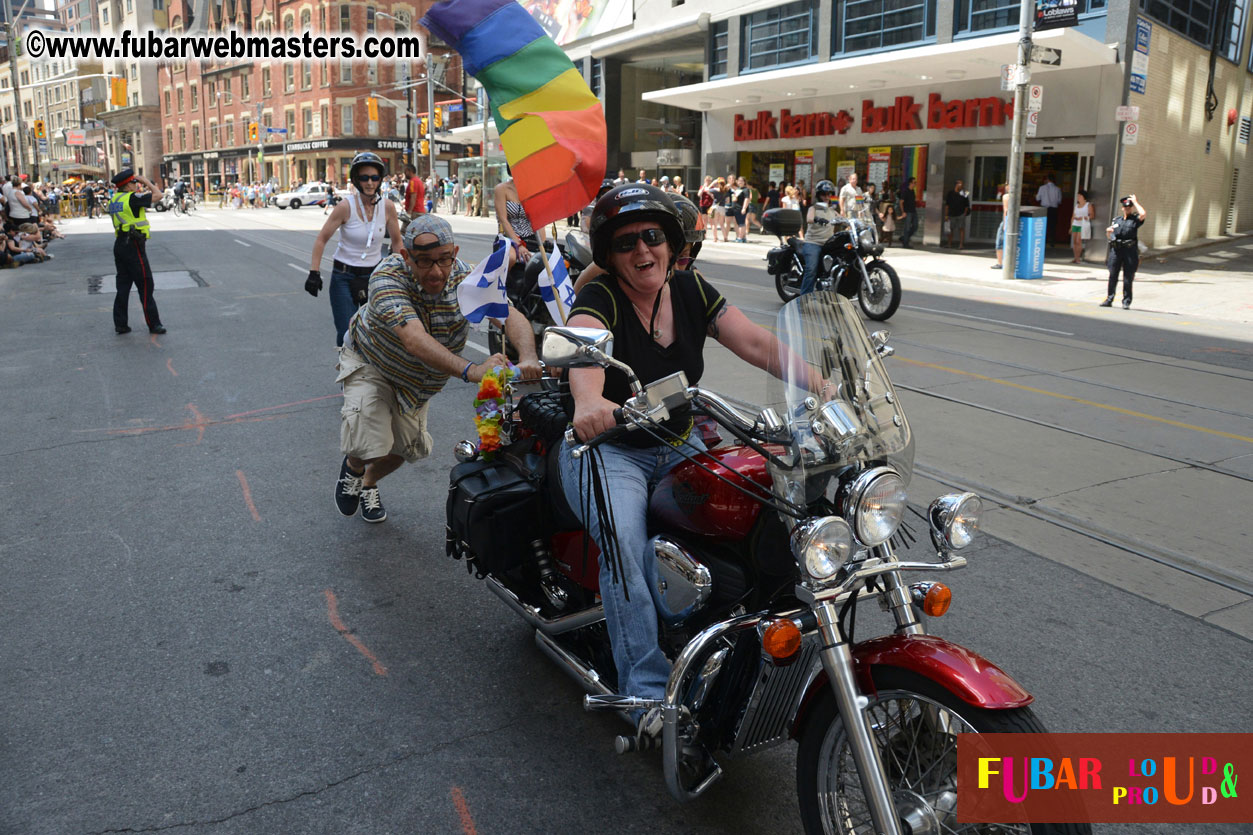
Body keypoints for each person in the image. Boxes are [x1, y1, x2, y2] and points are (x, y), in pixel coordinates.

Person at [558, 184, 800, 739]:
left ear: (671, 243)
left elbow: (757, 343)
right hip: (611, 449)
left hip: (679, 439)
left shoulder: (691, 290)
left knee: (762, 499)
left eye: (652, 237)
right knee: (622, 541)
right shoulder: (603, 300)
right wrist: (591, 401)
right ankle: (644, 691)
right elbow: (584, 348)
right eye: (625, 243)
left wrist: (826, 382)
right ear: (610, 255)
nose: (642, 251)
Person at [333, 214, 541, 523]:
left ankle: (368, 482)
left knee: (407, 449)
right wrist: (473, 370)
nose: (435, 272)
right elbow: (414, 340)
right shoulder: (387, 277)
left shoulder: (467, 278)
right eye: (425, 262)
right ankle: (354, 465)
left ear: (454, 253)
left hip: (419, 381)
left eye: (443, 260)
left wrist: (528, 356)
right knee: (369, 438)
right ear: (406, 257)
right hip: (373, 362)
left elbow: (508, 314)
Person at [307, 152, 404, 347]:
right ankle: (348, 374)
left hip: (374, 277)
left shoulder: (387, 207)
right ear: (356, 180)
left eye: (374, 178)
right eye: (364, 178)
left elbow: (397, 243)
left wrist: (404, 272)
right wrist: (314, 272)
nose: (370, 183)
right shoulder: (345, 206)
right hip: (344, 276)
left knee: (377, 333)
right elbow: (321, 239)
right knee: (347, 335)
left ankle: (370, 375)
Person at [107, 169, 166, 335]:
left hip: (120, 244)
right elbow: (158, 196)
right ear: (127, 185)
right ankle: (154, 324)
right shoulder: (131, 198)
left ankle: (121, 324)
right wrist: (147, 181)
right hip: (133, 245)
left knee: (123, 286)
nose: (136, 185)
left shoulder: (115, 199)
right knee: (145, 284)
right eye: (134, 182)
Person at [1102, 194, 1146, 309]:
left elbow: (1143, 214)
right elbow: (1110, 236)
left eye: (1129, 207)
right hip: (1116, 250)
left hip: (1129, 251)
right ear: (1122, 208)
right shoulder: (1117, 220)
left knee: (1128, 277)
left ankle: (1126, 301)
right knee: (1112, 275)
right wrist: (1108, 232)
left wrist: (1135, 202)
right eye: (1125, 207)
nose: (1127, 209)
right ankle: (1109, 299)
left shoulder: (1135, 219)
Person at [800, 179, 840, 294]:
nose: (827, 197)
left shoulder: (832, 210)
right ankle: (803, 299)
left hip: (828, 244)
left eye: (829, 194)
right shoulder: (813, 208)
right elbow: (809, 219)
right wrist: (817, 219)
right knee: (811, 269)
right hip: (813, 243)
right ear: (818, 195)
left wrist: (854, 222)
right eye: (824, 194)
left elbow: (843, 218)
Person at [494, 175, 540, 270]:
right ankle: (503, 284)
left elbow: (538, 221)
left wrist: (542, 244)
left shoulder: (534, 190)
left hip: (531, 238)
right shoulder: (501, 189)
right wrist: (518, 245)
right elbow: (503, 219)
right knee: (511, 258)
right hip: (508, 237)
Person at [1036, 173, 1063, 246]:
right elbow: (1059, 200)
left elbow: (1038, 198)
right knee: (1052, 226)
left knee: (1043, 225)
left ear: (1047, 179)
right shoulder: (1058, 189)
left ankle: (1042, 241)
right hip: (1054, 209)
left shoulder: (1042, 188)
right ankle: (1052, 241)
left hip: (1044, 209)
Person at [944, 179, 970, 249]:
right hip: (951, 214)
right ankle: (949, 244)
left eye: (962, 184)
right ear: (956, 185)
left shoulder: (964, 193)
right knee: (949, 229)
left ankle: (961, 244)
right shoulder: (950, 193)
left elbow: (967, 204)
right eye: (960, 184)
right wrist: (946, 215)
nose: (962, 185)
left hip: (961, 214)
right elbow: (947, 205)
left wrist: (964, 213)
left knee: (961, 229)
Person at [1071, 190, 1095, 264]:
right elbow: (1073, 216)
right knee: (1074, 241)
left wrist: (1083, 218)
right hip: (1075, 224)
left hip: (1083, 225)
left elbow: (1092, 215)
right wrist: (1071, 226)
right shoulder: (1076, 206)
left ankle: (1078, 258)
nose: (1078, 197)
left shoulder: (1088, 205)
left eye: (1080, 196)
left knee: (1079, 241)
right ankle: (1075, 257)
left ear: (1084, 197)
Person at [993, 183, 1011, 269]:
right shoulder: (1018, 196)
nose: (1005, 186)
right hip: (1014, 221)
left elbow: (1006, 210)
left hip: (1007, 220)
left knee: (999, 241)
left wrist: (1005, 223)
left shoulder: (1006, 196)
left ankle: (1000, 263)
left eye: (1007, 184)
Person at [899, 177, 918, 248]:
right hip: (907, 212)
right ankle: (905, 243)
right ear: (910, 183)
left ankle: (904, 238)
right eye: (914, 182)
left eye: (915, 183)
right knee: (907, 228)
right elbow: (901, 202)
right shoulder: (905, 191)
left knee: (915, 226)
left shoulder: (913, 191)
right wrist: (903, 212)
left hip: (913, 211)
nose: (915, 184)